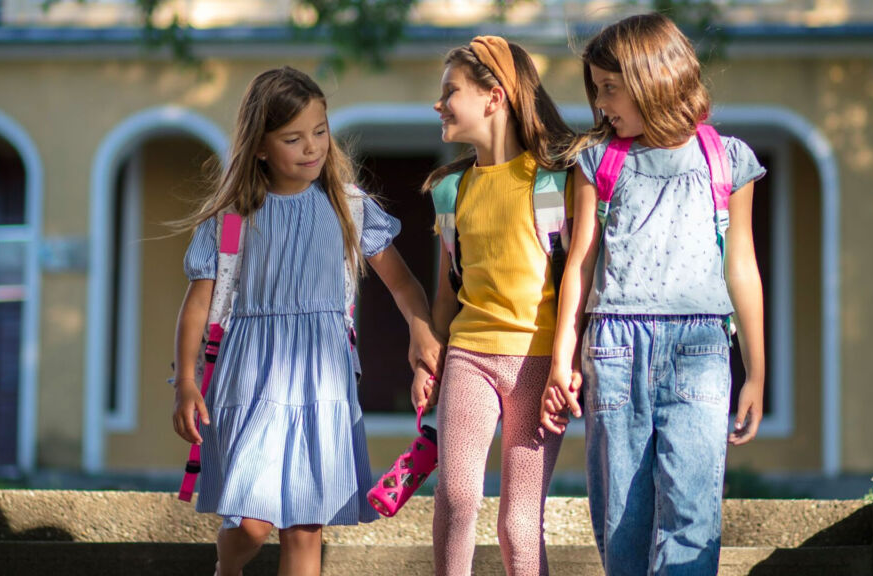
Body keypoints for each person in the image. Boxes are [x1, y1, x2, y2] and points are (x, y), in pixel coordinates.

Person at [171, 66, 440, 576]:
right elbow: (198, 305)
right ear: (260, 147)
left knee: (305, 525)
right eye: (293, 138)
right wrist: (186, 382)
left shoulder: (347, 206)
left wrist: (420, 327)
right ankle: (227, 567)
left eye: (320, 131)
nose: (312, 147)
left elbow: (404, 284)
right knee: (250, 522)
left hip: (321, 381)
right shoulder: (233, 217)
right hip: (250, 378)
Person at [540, 13, 767, 576]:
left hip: (702, 348)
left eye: (610, 88)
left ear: (653, 78)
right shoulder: (599, 161)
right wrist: (561, 359)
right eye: (596, 90)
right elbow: (581, 264)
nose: (600, 104)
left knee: (692, 521)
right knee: (622, 522)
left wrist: (756, 372)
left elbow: (742, 266)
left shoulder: (728, 160)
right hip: (615, 350)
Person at [412, 36, 575, 576]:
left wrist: (568, 367)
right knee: (457, 499)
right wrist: (426, 362)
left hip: (537, 363)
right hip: (470, 357)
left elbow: (578, 275)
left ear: (493, 97)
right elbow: (445, 292)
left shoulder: (554, 181)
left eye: (449, 92)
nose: (439, 104)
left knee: (518, 523)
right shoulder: (450, 191)